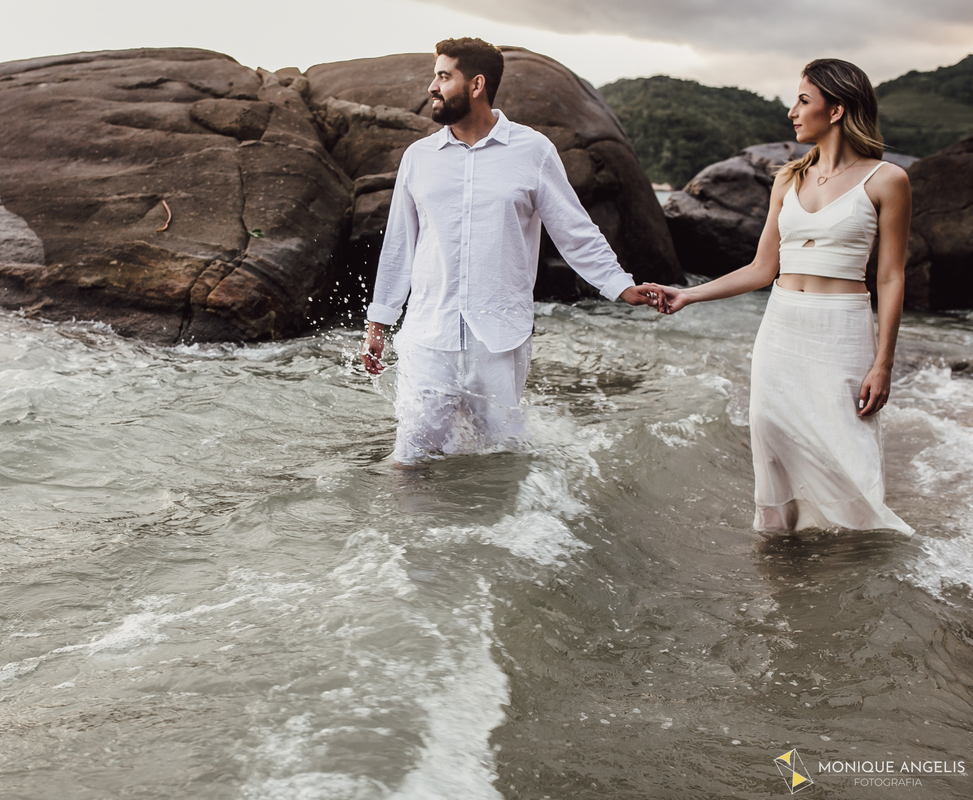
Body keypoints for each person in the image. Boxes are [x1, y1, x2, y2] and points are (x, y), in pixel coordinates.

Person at [360, 37, 666, 467]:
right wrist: (379, 323)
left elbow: (574, 229)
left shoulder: (532, 151)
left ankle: (498, 536)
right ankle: (406, 536)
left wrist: (620, 286)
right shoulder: (419, 157)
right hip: (428, 335)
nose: (432, 86)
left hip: (500, 339)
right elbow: (399, 245)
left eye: (444, 76)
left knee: (499, 458)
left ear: (476, 85)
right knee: (410, 459)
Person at [658, 59, 913, 535]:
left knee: (846, 454)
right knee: (773, 443)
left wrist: (884, 362)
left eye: (803, 100)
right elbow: (761, 268)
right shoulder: (787, 178)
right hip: (781, 331)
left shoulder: (887, 181)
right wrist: (689, 295)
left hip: (841, 332)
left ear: (835, 110)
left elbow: (891, 277)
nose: (792, 112)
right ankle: (781, 554)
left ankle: (859, 563)